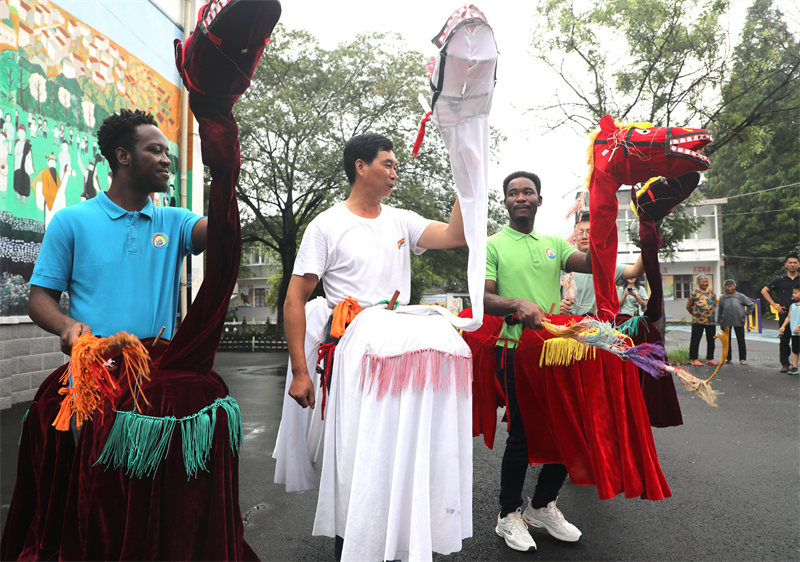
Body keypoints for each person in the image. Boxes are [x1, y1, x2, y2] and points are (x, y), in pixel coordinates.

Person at [283, 133, 471, 560]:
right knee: (359, 460)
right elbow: (295, 299)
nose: (394, 172)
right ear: (360, 167)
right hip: (354, 359)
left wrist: (465, 174)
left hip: (399, 351)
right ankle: (351, 548)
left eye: (395, 165)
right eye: (387, 164)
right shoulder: (326, 225)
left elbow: (456, 234)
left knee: (398, 458)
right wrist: (299, 371)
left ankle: (401, 546)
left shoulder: (401, 220)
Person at [27, 109, 207, 351]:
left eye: (167, 152)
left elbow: (222, 232)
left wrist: (224, 165)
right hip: (94, 381)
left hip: (155, 383)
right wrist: (65, 324)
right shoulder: (69, 221)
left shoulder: (176, 222)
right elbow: (40, 298)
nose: (166, 160)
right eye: (155, 151)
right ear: (123, 156)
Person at [483, 171, 588, 552]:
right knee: (524, 435)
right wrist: (515, 304)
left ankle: (542, 506)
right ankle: (508, 514)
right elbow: (483, 297)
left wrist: (609, 214)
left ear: (539, 200)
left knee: (567, 427)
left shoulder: (554, 245)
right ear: (506, 202)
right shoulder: (492, 245)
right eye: (513, 193)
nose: (520, 197)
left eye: (528, 191)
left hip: (555, 350)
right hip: (513, 350)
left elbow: (592, 262)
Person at [560, 211, 644, 316]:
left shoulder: (604, 266)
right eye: (580, 232)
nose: (584, 236)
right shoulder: (564, 265)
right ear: (574, 235)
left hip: (597, 328)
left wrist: (647, 245)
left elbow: (635, 271)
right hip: (568, 328)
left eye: (589, 232)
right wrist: (560, 307)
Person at [761, 254, 800, 373]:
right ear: (786, 265)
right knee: (784, 339)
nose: (792, 265)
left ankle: (795, 364)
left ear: (799, 264)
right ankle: (785, 364)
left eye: (795, 262)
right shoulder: (779, 280)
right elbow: (764, 291)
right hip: (785, 314)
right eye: (790, 262)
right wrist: (774, 304)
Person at [717, 279, 755, 365]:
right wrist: (719, 321)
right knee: (726, 341)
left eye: (731, 286)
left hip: (739, 321)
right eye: (728, 286)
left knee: (741, 340)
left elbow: (751, 305)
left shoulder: (740, 296)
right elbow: (720, 310)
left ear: (734, 287)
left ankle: (743, 358)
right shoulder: (723, 298)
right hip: (726, 322)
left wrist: (745, 314)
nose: (730, 288)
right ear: (725, 287)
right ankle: (728, 358)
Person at [686, 274, 719, 367]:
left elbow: (715, 303)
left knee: (711, 340)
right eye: (703, 281)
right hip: (698, 321)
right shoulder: (694, 293)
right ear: (698, 283)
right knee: (695, 340)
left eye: (706, 281)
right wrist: (695, 314)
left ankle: (709, 359)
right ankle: (694, 358)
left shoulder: (712, 293)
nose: (705, 283)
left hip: (711, 321)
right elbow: (688, 306)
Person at [778, 283, 800, 375]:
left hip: (798, 330)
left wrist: (799, 327)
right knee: (795, 350)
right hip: (794, 333)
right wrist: (783, 326)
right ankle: (794, 366)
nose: (793, 294)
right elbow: (788, 317)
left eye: (796, 293)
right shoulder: (792, 305)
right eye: (793, 293)